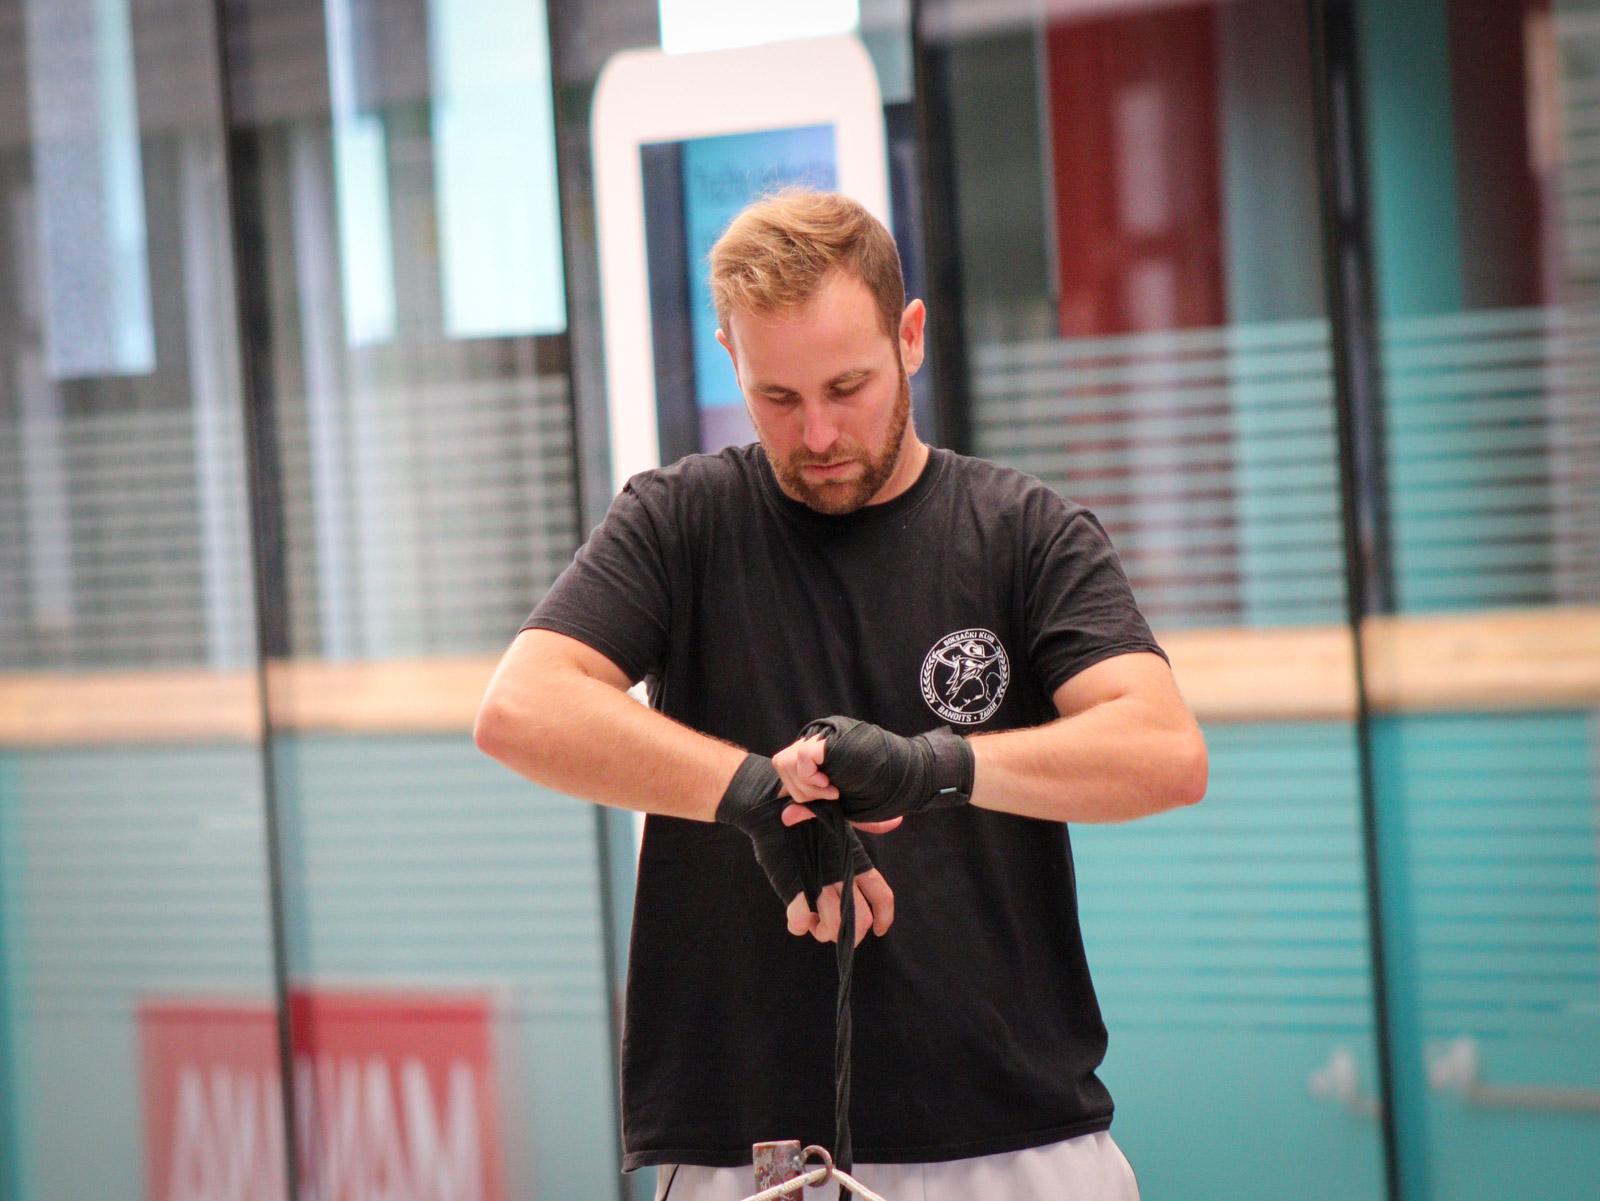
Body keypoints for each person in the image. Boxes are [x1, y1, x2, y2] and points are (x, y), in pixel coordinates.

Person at [474, 190, 1208, 1201]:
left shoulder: (1023, 532)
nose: (817, 432)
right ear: (731, 358)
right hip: (755, 1154)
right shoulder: (680, 522)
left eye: (846, 386)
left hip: (1016, 1144)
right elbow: (521, 707)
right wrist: (752, 794)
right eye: (776, 396)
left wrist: (935, 765)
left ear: (910, 338)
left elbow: (1165, 751)